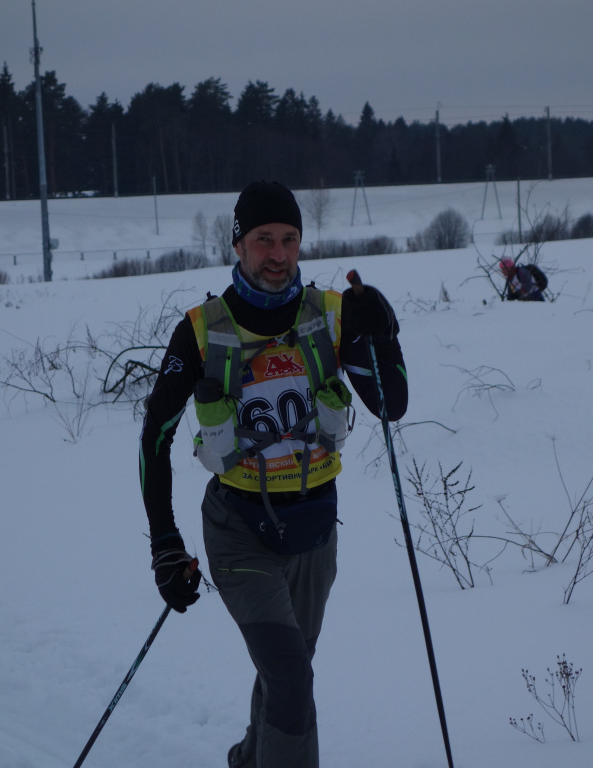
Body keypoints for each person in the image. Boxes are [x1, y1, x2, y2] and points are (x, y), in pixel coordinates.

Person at [139, 180, 408, 768]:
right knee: (290, 676)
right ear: (237, 245)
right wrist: (164, 543)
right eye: (264, 240)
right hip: (239, 532)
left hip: (314, 532)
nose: (279, 254)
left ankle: (249, 761)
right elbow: (155, 435)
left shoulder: (332, 315)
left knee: (287, 670)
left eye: (290, 239)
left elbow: (392, 405)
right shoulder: (201, 328)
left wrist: (379, 331)